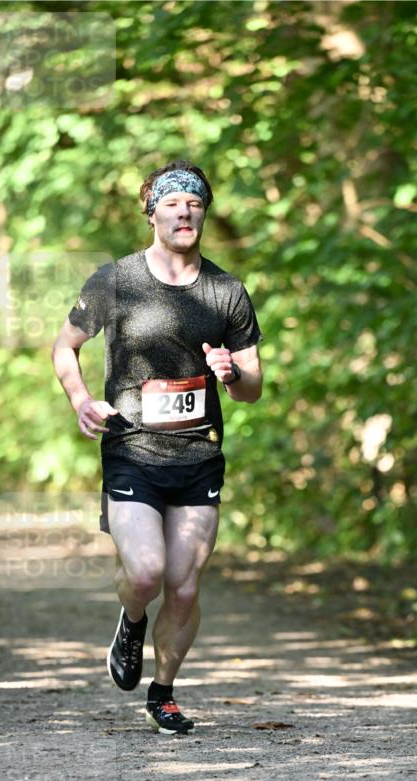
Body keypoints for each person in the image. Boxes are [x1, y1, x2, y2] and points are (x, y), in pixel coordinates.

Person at [51, 159, 263, 735]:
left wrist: (230, 373)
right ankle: (131, 617)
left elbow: (252, 389)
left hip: (198, 455)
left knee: (186, 583)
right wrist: (81, 401)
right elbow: (64, 347)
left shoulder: (227, 292)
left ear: (204, 213)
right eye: (172, 203)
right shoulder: (115, 280)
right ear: (153, 214)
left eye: (194, 203)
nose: (184, 211)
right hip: (131, 448)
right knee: (145, 572)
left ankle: (163, 692)